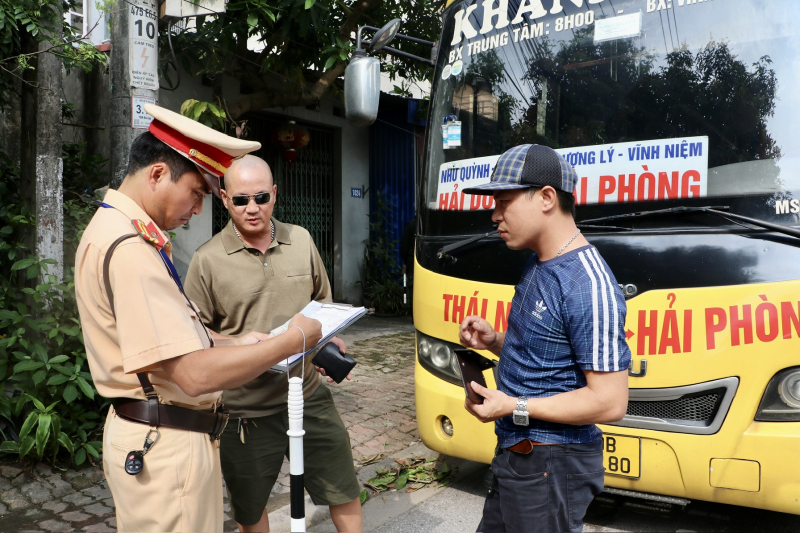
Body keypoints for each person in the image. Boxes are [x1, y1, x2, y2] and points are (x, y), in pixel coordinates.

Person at [74, 104, 323, 533]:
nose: (197, 208)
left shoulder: (118, 229)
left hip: (159, 434)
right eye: (196, 192)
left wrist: (240, 343)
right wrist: (289, 341)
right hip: (166, 444)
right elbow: (190, 374)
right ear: (156, 174)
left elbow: (173, 338)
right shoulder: (132, 248)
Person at [184, 155, 363, 533]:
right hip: (244, 410)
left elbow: (322, 305)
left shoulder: (301, 239)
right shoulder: (207, 260)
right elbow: (194, 335)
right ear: (224, 198)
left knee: (343, 488)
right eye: (241, 200)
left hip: (309, 395)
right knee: (251, 509)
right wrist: (236, 341)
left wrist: (332, 337)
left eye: (261, 197)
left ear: (275, 195)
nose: (253, 209)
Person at [459, 144, 631, 533]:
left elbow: (609, 401)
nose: (494, 215)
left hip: (553, 462)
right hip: (519, 454)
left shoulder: (588, 284)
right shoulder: (539, 261)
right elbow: (548, 354)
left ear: (547, 198)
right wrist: (495, 341)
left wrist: (513, 406)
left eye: (504, 201)